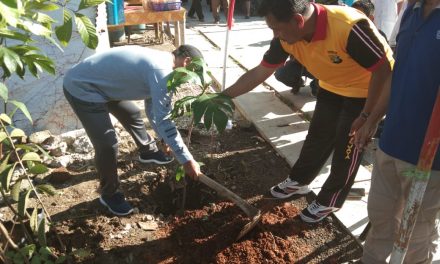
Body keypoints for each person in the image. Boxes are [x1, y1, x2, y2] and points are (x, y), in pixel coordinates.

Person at [222, 0, 394, 223]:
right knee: (318, 137)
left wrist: (367, 115)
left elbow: (384, 70)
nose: (275, 35)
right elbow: (260, 72)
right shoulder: (286, 36)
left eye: (277, 29)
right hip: (332, 85)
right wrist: (222, 97)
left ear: (298, 20)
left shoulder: (347, 27)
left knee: (348, 147)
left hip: (367, 90)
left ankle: (330, 200)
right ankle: (299, 180)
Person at [63, 45, 204, 216]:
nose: (189, 79)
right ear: (187, 61)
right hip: (82, 87)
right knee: (108, 145)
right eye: (192, 72)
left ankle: (147, 151)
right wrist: (186, 160)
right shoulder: (162, 71)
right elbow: (164, 120)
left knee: (132, 113)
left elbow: (153, 109)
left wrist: (164, 139)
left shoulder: (163, 61)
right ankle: (109, 194)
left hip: (102, 86)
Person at [353, 0, 440, 262]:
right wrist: (371, 118)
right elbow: (396, 71)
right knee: (381, 218)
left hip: (430, 155)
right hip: (390, 142)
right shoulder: (410, 11)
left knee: (417, 231)